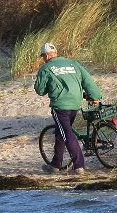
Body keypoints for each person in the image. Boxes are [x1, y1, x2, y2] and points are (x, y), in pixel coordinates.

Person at [34, 42, 102, 175]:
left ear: (47, 56)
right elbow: (87, 80)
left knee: (67, 134)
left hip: (61, 105)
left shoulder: (46, 68)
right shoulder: (73, 64)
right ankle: (55, 164)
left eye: (43, 56)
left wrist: (49, 87)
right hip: (76, 103)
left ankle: (79, 166)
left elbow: (40, 90)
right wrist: (95, 96)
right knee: (61, 132)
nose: (43, 58)